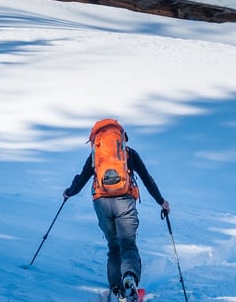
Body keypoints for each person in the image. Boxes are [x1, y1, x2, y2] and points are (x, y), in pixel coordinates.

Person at [63, 118, 171, 302]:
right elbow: (147, 179)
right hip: (125, 201)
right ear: (121, 137)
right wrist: (162, 201)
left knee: (114, 247)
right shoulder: (128, 154)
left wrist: (69, 192)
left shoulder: (96, 157)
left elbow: (81, 180)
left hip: (101, 203)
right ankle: (129, 278)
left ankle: (117, 290)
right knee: (127, 244)